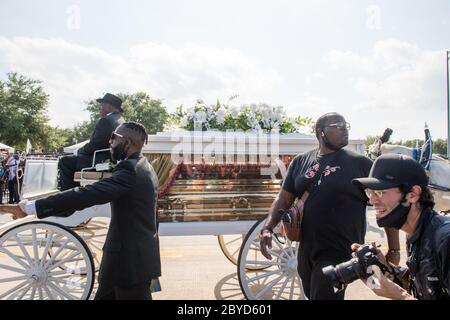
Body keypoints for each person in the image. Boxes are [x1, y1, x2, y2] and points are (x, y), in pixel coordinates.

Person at [259, 112, 400, 300]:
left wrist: (394, 250)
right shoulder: (301, 161)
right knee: (312, 295)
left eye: (346, 125)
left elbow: (386, 203)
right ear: (321, 132)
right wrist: (268, 227)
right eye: (338, 125)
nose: (344, 130)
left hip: (339, 250)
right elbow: (284, 199)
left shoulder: (361, 164)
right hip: (306, 248)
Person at [18, 122, 161, 300]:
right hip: (129, 258)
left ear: (127, 142)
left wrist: (35, 207)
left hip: (129, 262)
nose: (110, 142)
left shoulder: (130, 170)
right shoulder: (144, 166)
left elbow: (87, 194)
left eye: (114, 138)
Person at [352, 153, 450, 300]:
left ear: (413, 194)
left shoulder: (445, 239)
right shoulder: (415, 233)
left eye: (380, 192)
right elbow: (427, 289)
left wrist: (401, 297)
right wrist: (387, 269)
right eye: (369, 192)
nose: (372, 200)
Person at [58, 93, 124, 191]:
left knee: (65, 161)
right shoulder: (121, 121)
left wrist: (78, 151)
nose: (100, 108)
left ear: (109, 106)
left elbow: (95, 145)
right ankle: (76, 191)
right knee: (72, 160)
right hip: (112, 162)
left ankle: (68, 197)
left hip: (101, 163)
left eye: (102, 105)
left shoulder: (106, 121)